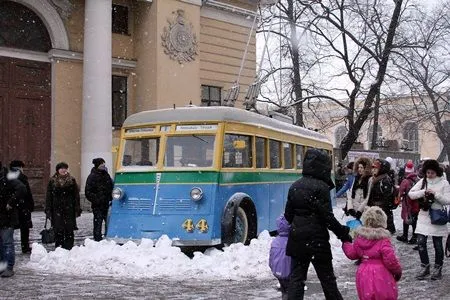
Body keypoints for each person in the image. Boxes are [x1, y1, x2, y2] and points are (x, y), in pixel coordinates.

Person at [284, 148, 351, 300]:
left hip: (297, 240)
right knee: (327, 280)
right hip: (317, 241)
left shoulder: (295, 186)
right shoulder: (321, 187)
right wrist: (342, 233)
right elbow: (327, 217)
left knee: (296, 280)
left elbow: (288, 215)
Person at [342, 206, 402, 300]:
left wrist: (346, 243)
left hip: (364, 273)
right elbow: (390, 260)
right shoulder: (383, 240)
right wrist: (397, 271)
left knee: (367, 296)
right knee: (384, 296)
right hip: (381, 273)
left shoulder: (360, 238)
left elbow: (352, 254)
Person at [408, 159, 450, 280]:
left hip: (437, 217)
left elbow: (448, 200)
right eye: (427, 173)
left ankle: (438, 267)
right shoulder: (422, 181)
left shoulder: (444, 183)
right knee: (421, 242)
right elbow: (411, 194)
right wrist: (424, 192)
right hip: (423, 216)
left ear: (437, 172)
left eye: (432, 172)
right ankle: (425, 266)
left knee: (437, 244)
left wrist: (435, 194)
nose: (429, 175)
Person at [45, 162, 81, 250]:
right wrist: (48, 209)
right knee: (58, 229)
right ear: (58, 170)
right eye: (61, 168)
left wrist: (77, 207)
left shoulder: (71, 180)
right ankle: (59, 246)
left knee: (69, 228)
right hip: (56, 208)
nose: (63, 170)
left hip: (69, 208)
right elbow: (49, 196)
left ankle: (69, 246)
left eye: (65, 168)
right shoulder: (52, 181)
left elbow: (76, 195)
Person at [0, 163, 26, 277]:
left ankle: (9, 267)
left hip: (6, 216)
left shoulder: (7, 177)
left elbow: (21, 188)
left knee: (7, 243)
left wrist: (11, 202)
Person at [85, 158, 113, 242]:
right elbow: (88, 191)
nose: (103, 166)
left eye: (104, 164)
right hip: (97, 204)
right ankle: (97, 238)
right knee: (98, 222)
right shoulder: (92, 176)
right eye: (101, 165)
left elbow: (110, 186)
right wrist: (97, 199)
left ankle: (108, 236)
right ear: (97, 165)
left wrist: (110, 197)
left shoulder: (106, 175)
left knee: (108, 221)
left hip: (107, 202)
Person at [9, 160, 34, 253]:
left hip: (13, 206)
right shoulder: (22, 177)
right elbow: (27, 193)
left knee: (10, 228)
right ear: (20, 167)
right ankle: (25, 246)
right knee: (24, 228)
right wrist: (31, 204)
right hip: (23, 206)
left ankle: (9, 247)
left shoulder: (7, 176)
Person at [368, 158, 396, 234]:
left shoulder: (384, 180)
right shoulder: (375, 179)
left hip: (383, 211)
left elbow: (387, 197)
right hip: (377, 209)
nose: (373, 170)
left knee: (384, 233)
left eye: (375, 168)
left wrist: (381, 208)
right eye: (372, 168)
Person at [396, 161, 419, 244]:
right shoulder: (417, 179)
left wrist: (398, 196)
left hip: (407, 203)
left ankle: (405, 236)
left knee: (406, 219)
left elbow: (401, 192)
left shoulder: (405, 181)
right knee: (415, 220)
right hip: (416, 203)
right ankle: (414, 236)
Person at [269, 215, 291, 300]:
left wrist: (274, 268)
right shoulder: (291, 241)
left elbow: (271, 258)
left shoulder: (275, 241)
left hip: (278, 272)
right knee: (290, 292)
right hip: (289, 273)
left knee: (284, 291)